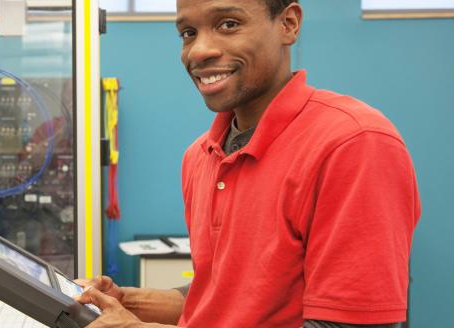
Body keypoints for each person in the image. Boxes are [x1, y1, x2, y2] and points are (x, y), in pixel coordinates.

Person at [75, 0, 421, 327]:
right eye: (188, 33)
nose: (198, 51)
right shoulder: (201, 156)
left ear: (288, 24)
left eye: (228, 24)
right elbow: (222, 300)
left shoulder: (353, 143)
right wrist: (128, 302)